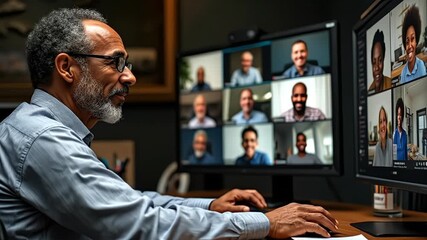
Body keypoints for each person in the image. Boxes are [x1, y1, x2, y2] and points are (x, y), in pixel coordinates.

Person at [0, 8, 338, 239]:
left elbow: (128, 202)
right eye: (116, 62)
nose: (129, 76)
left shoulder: (41, 129)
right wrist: (265, 222)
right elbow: (140, 223)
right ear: (66, 67)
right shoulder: (43, 139)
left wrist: (208, 205)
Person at [400, 4, 426, 83]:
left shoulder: (421, 66)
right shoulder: (403, 73)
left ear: (416, 42)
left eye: (412, 39)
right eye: (407, 42)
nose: (410, 45)